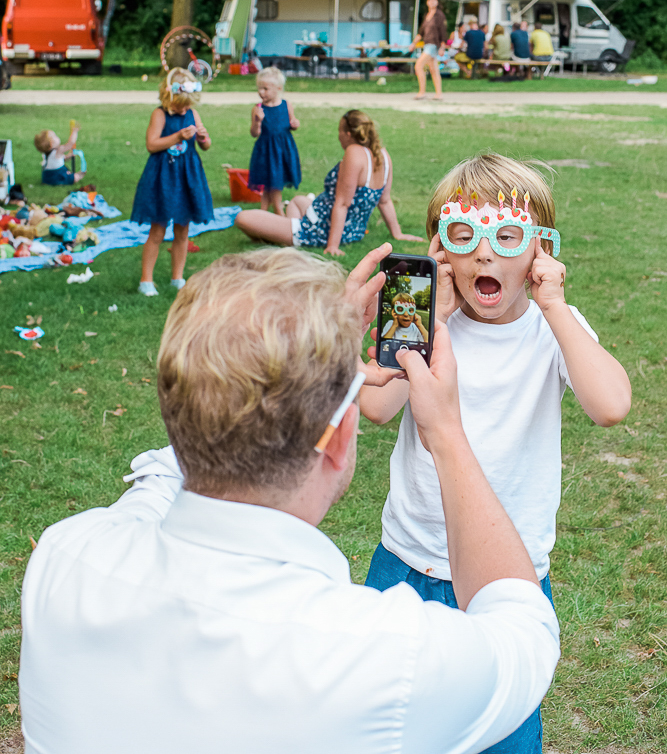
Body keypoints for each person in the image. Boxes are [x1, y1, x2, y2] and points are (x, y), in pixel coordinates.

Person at [19, 243, 560, 754]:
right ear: (340, 438)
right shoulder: (384, 656)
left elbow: (163, 473)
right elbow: (522, 628)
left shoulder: (65, 556)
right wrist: (445, 433)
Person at [360, 153, 632, 754]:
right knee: (393, 723)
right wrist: (428, 320)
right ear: (441, 251)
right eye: (465, 235)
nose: (485, 254)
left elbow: (611, 404)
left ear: (539, 251)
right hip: (408, 560)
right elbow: (376, 409)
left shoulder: (549, 329)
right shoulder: (428, 327)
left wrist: (556, 306)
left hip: (511, 576)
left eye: (508, 237)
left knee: (503, 730)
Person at [235, 109, 423, 256]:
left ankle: (291, 236)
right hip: (347, 228)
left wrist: (332, 245)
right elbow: (384, 200)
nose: (339, 136)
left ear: (348, 134)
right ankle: (286, 233)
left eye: (340, 132)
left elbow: (342, 204)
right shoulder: (382, 153)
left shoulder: (354, 153)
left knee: (242, 218)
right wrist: (397, 234)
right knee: (297, 201)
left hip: (319, 230)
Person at [130, 67, 212, 297]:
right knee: (157, 229)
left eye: (187, 105)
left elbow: (205, 146)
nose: (183, 110)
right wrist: (177, 136)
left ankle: (178, 277)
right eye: (179, 106)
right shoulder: (159, 114)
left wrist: (204, 138)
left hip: (187, 177)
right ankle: (146, 280)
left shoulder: (192, 114)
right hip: (163, 177)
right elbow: (152, 144)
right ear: (168, 97)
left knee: (183, 230)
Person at [248, 66, 301, 215]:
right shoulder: (258, 109)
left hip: (283, 150)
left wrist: (295, 124)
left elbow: (291, 123)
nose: (261, 92)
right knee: (269, 181)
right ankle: (278, 211)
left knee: (275, 181)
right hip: (265, 151)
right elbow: (254, 133)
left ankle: (265, 212)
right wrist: (258, 122)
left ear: (278, 88)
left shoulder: (286, 104)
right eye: (259, 88)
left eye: (265, 88)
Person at [408, 0, 447, 99]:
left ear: (437, 2)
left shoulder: (439, 15)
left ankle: (422, 92)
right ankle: (438, 94)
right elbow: (421, 33)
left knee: (419, 65)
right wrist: (413, 43)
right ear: (427, 2)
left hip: (433, 45)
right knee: (434, 70)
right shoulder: (427, 16)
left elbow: (443, 32)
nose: (432, 1)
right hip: (427, 44)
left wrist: (443, 47)